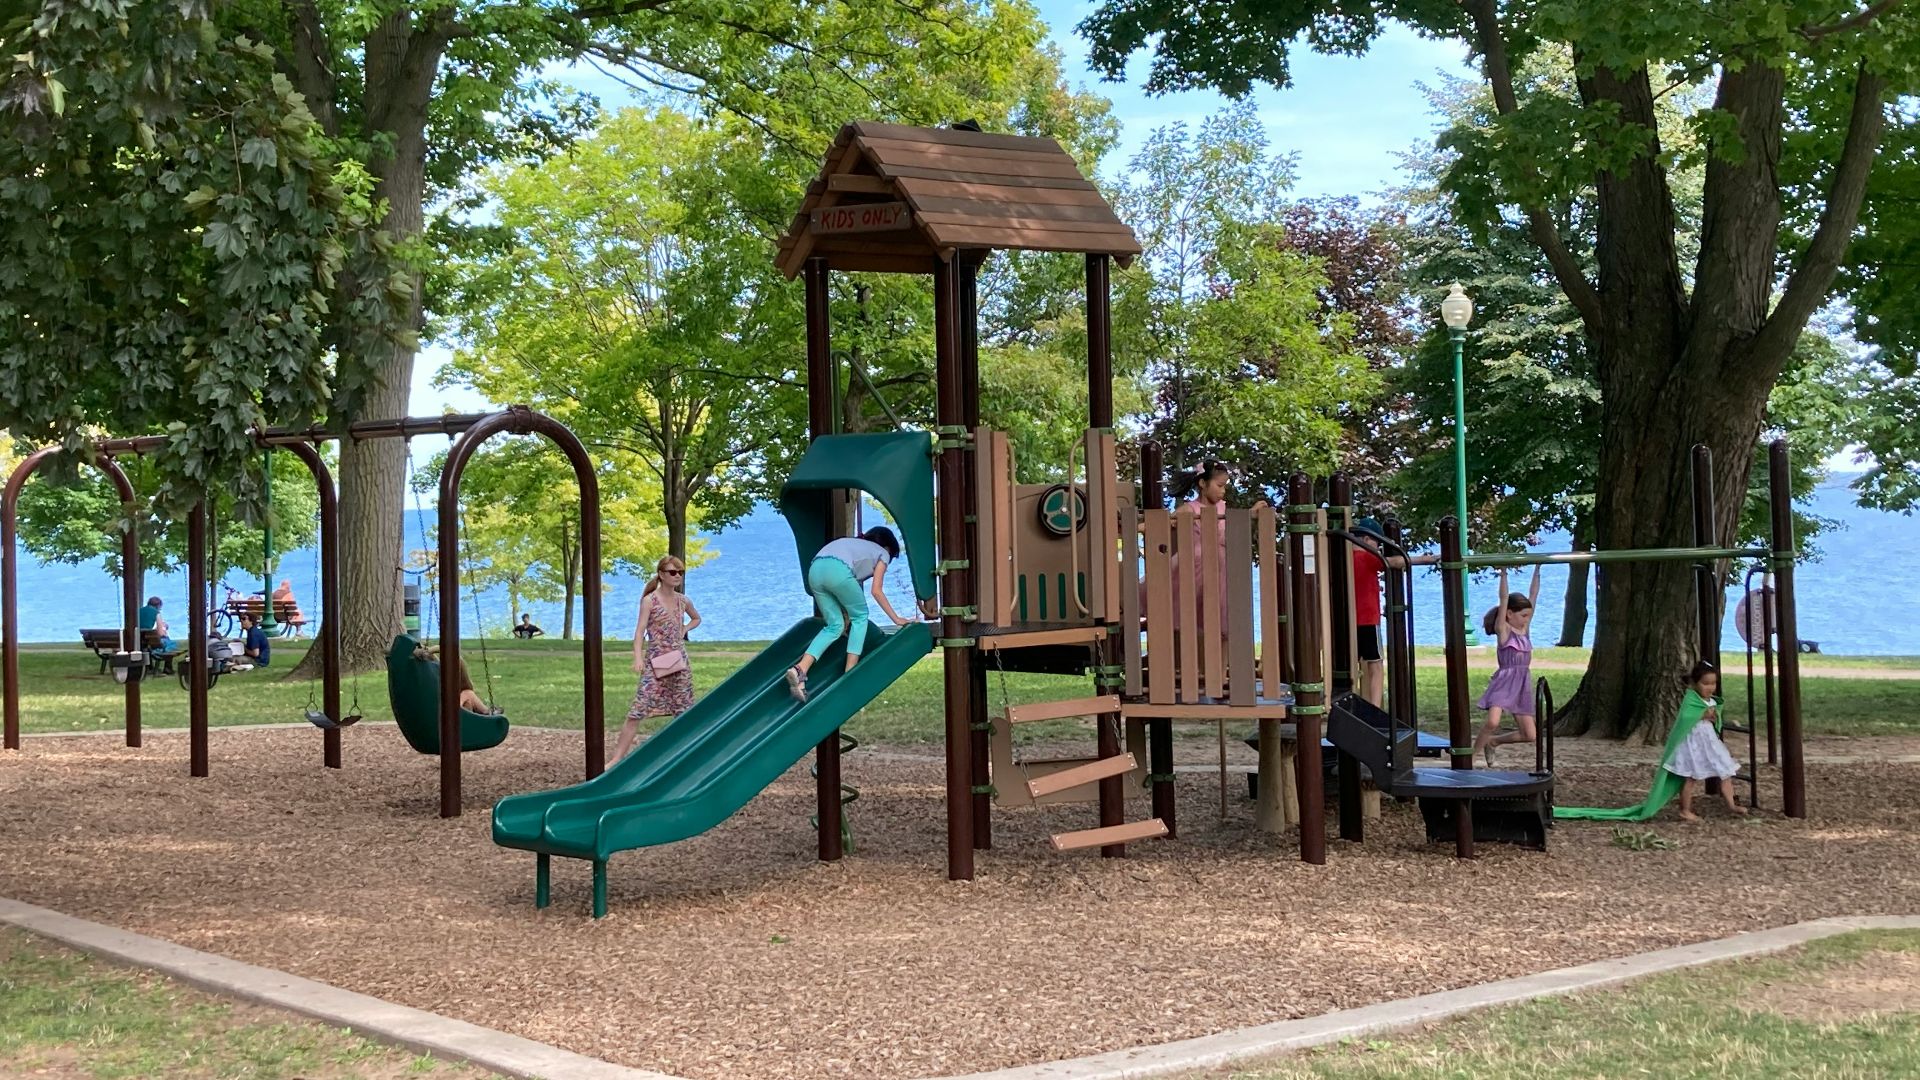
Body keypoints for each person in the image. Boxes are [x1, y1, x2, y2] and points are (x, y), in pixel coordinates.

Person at [1557, 662, 1748, 822]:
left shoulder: (1712, 701)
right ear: (1694, 683)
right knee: (1691, 777)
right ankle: (1685, 809)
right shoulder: (1691, 699)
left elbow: (1715, 717)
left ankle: (1732, 805)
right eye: (1706, 683)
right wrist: (1701, 715)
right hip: (1693, 744)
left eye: (1713, 683)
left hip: (1709, 743)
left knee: (1726, 772)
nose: (1710, 687)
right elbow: (1686, 718)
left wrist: (1714, 717)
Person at [785, 526, 928, 702]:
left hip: (815, 570)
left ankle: (800, 670)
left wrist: (844, 614)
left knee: (834, 626)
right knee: (860, 617)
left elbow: (844, 588)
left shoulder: (854, 545)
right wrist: (897, 619)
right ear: (887, 548)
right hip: (838, 571)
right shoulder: (882, 553)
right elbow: (876, 591)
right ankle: (850, 672)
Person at [614, 557, 701, 761]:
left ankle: (687, 755)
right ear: (661, 574)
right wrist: (637, 658)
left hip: (679, 661)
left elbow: (697, 618)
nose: (677, 575)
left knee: (685, 710)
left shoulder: (683, 600)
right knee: (638, 709)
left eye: (680, 572)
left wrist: (685, 629)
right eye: (672, 572)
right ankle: (616, 758)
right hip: (656, 662)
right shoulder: (650, 600)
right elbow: (639, 632)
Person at [1169, 461, 1265, 645]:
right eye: (1219, 486)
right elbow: (1164, 522)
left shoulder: (1222, 507)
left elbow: (1231, 527)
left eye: (1225, 486)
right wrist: (1139, 527)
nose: (1223, 491)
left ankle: (1220, 670)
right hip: (1197, 567)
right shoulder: (1191, 509)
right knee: (1193, 615)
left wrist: (1251, 514)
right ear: (1203, 484)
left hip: (1219, 568)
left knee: (1222, 621)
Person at [1471, 564, 1543, 765]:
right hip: (1505, 681)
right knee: (1493, 721)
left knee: (1530, 734)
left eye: (1528, 616)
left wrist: (1538, 569)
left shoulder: (1525, 630)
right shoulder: (1503, 630)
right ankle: (1472, 755)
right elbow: (1503, 598)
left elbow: (1533, 595)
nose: (1526, 620)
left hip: (1521, 683)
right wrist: (1503, 573)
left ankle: (1493, 743)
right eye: (1523, 616)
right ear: (1510, 614)